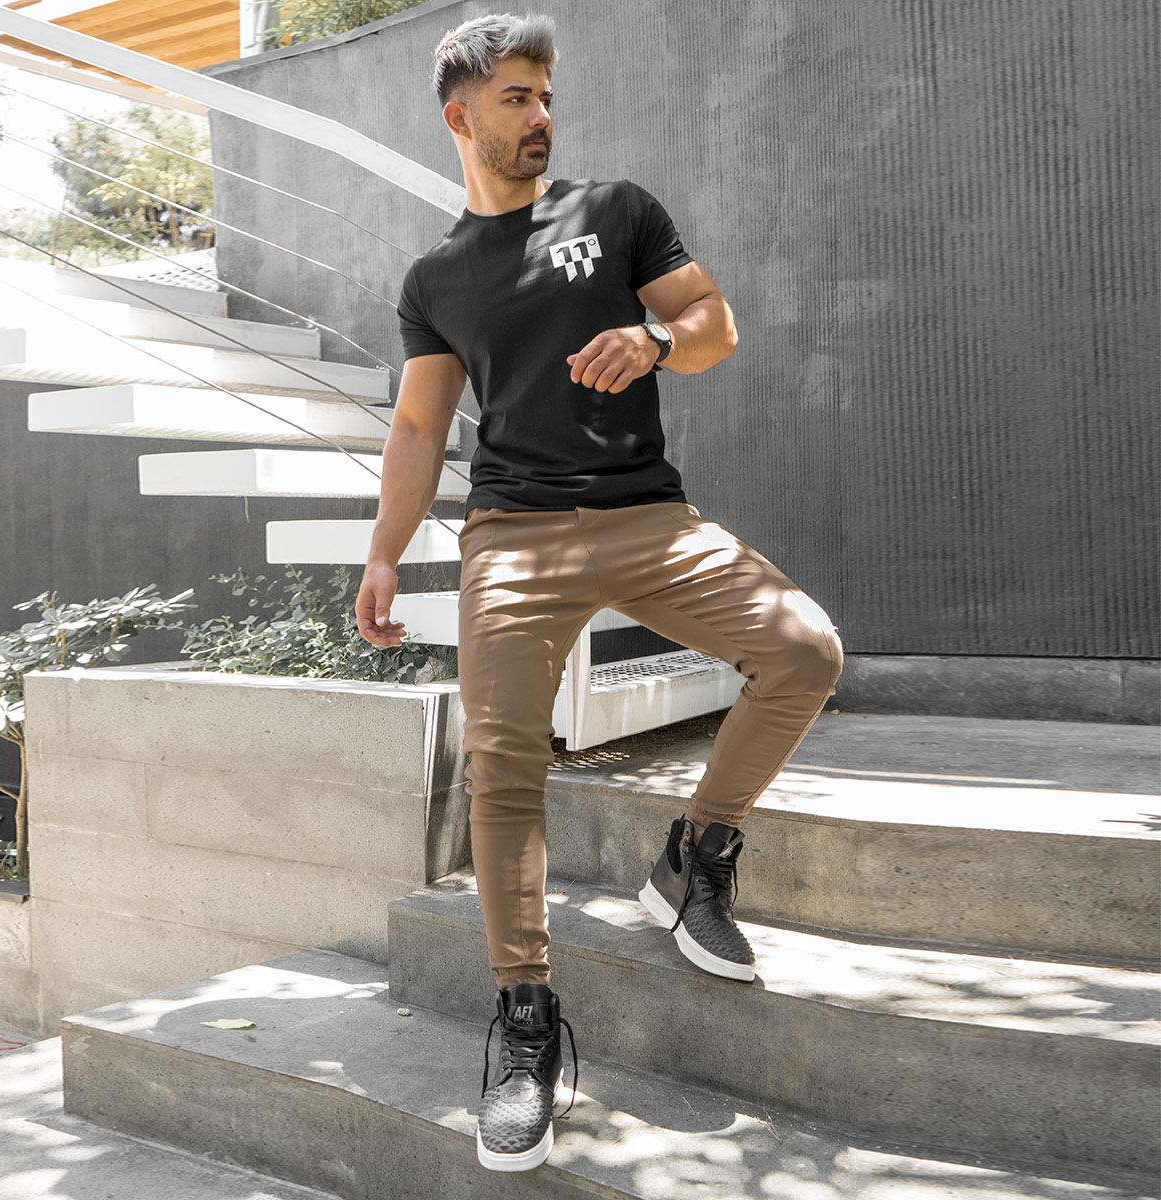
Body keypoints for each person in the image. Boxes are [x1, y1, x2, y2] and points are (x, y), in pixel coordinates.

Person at [354, 12, 843, 1173]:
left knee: (805, 651)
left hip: (650, 518)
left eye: (547, 95)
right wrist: (384, 551)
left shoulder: (615, 210)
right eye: (516, 98)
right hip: (514, 537)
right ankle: (527, 1022)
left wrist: (657, 341)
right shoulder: (436, 277)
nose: (541, 115)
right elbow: (420, 425)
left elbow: (713, 324)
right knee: (503, 764)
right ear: (460, 117)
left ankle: (695, 855)